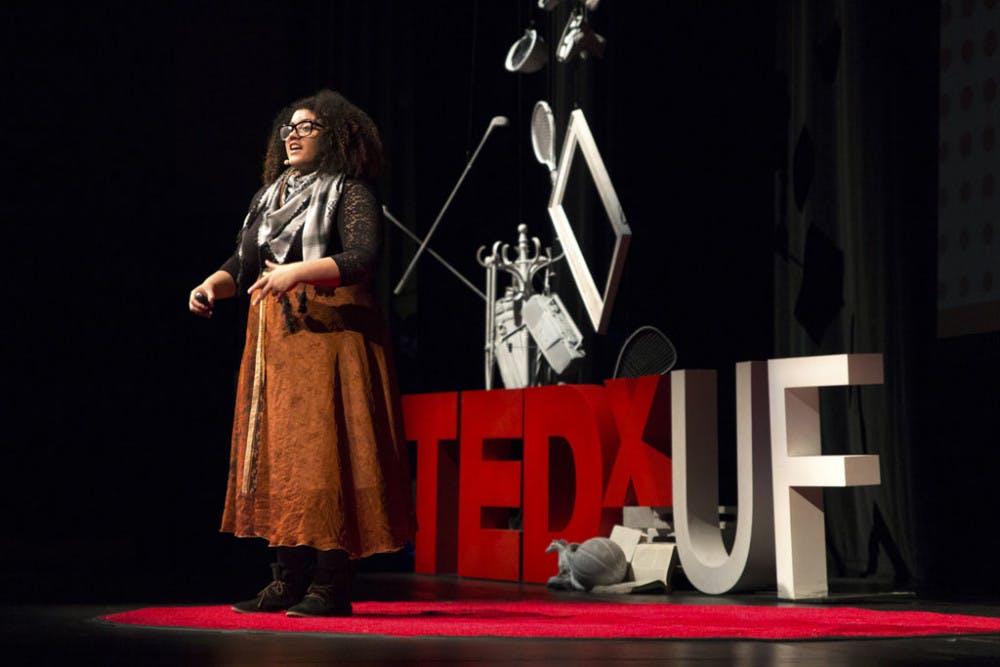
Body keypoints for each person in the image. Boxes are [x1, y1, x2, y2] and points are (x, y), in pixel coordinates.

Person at [188, 89, 415, 618]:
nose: (293, 134)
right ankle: (287, 579)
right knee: (278, 459)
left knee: (326, 459)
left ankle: (332, 584)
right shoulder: (269, 197)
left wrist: (295, 273)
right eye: (289, 127)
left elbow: (361, 256)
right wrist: (210, 285)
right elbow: (245, 262)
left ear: (336, 135)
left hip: (331, 337)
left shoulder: (349, 191)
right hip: (276, 344)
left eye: (308, 127)